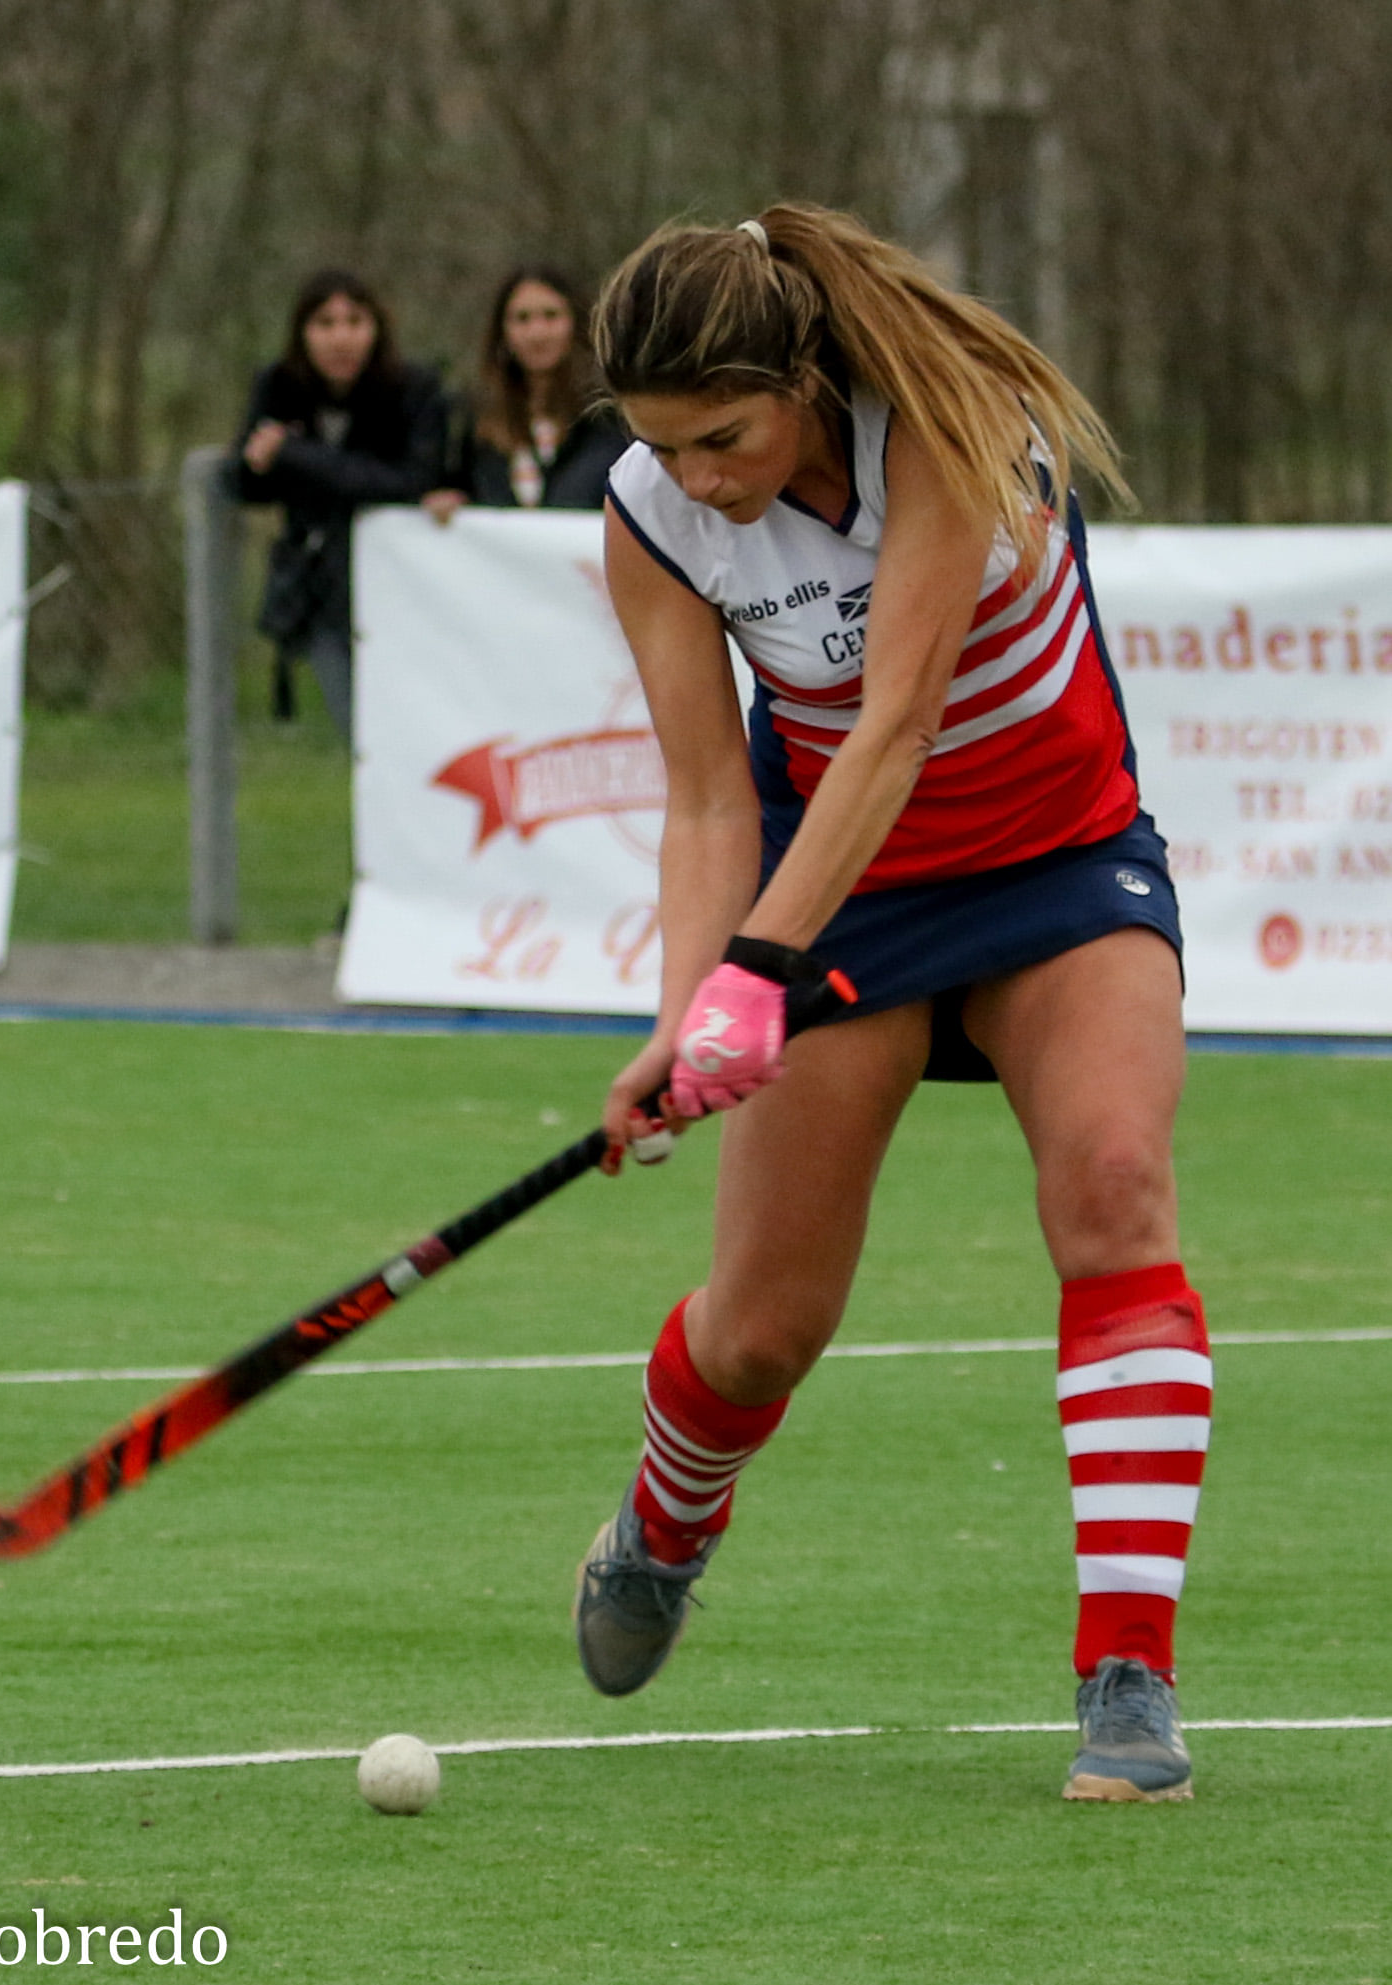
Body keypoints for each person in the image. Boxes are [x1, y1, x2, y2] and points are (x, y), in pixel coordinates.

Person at [572, 204, 1210, 1805]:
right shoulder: (653, 514)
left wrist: (752, 972)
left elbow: (899, 721)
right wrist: (679, 1013)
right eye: (668, 447)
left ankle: (1127, 1675)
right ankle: (665, 1517)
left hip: (1060, 867)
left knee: (1117, 1189)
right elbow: (714, 798)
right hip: (842, 893)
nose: (702, 476)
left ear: (799, 374)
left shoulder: (945, 418)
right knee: (764, 1328)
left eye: (725, 435)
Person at [228, 269, 448, 738]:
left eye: (354, 321)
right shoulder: (279, 386)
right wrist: (267, 462)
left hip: (405, 589)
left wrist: (296, 456)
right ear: (302, 333)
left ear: (376, 328)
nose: (340, 337)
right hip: (320, 592)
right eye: (325, 323)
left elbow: (412, 481)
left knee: (414, 729)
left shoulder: (414, 389)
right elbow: (245, 481)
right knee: (361, 733)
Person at [422, 266, 624, 522]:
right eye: (522, 318)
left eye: (551, 316)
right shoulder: (479, 424)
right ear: (502, 332)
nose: (536, 333)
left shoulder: (610, 419)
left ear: (576, 322)